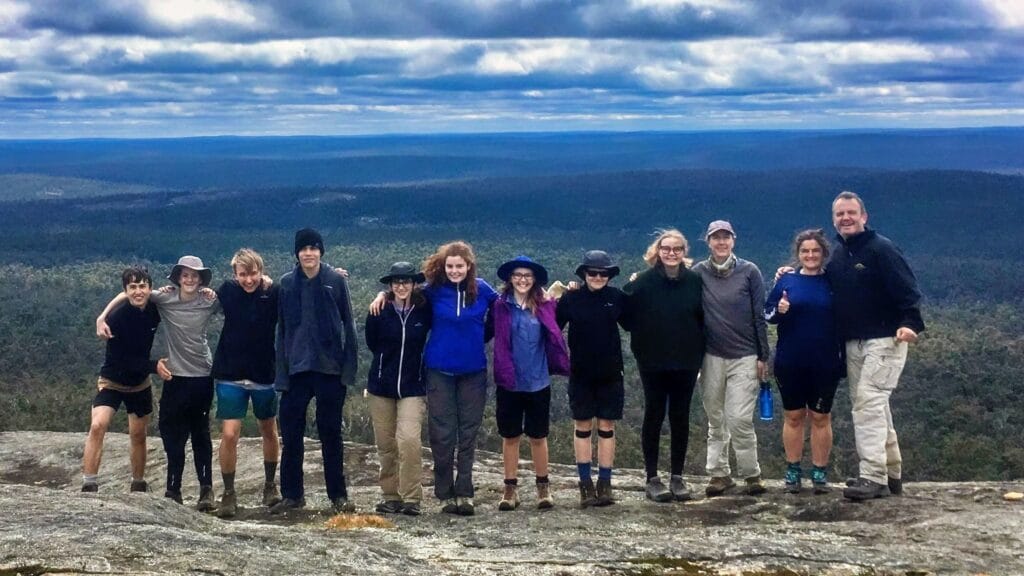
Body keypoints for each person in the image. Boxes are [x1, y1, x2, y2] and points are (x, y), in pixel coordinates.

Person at [97, 255, 221, 510]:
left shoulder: (209, 301)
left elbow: (237, 301)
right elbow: (131, 293)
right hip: (174, 375)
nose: (189, 279)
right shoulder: (165, 298)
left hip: (201, 375)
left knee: (200, 433)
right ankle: (173, 489)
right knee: (171, 433)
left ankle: (206, 490)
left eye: (194, 276)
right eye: (185, 275)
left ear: (200, 280)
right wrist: (103, 316)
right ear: (177, 278)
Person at [830, 191, 924, 501]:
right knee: (875, 405)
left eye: (851, 212)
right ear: (835, 219)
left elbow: (908, 288)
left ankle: (872, 476)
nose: (846, 218)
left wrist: (910, 322)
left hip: (885, 340)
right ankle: (892, 473)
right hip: (853, 343)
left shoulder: (881, 249)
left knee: (867, 404)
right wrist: (789, 275)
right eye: (840, 214)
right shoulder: (839, 255)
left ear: (864, 216)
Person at [271, 228, 358, 514]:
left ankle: (338, 495)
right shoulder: (286, 284)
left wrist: (348, 370)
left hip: (330, 369)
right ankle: (292, 494)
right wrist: (281, 375)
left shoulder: (335, 280)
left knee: (330, 432)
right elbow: (282, 331)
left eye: (313, 248)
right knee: (291, 433)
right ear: (296, 253)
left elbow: (350, 326)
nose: (308, 253)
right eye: (303, 248)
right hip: (297, 369)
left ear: (321, 251)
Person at [622, 229, 706, 503]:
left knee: (680, 417)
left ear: (684, 252)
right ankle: (652, 478)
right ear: (657, 251)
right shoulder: (643, 282)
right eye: (666, 248)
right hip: (652, 362)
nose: (671, 253)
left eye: (677, 249)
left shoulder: (695, 282)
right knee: (654, 416)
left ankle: (678, 477)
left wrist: (699, 357)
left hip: (686, 361)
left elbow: (703, 320)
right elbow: (624, 315)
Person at [419, 241, 497, 516]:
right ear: (444, 266)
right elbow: (403, 294)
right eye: (450, 266)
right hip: (439, 370)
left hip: (473, 371)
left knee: (468, 433)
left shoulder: (483, 290)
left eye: (459, 266)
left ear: (469, 267)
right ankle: (444, 493)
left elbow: (507, 309)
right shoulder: (433, 291)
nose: (454, 271)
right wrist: (382, 295)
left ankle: (465, 492)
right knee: (441, 434)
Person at [693, 220, 770, 497]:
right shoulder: (698, 272)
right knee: (715, 418)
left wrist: (764, 355)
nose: (721, 242)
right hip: (711, 356)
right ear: (709, 242)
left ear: (733, 240)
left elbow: (759, 315)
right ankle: (719, 474)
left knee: (738, 418)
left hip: (745, 356)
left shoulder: (750, 272)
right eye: (716, 238)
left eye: (726, 237)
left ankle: (752, 473)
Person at [764, 229, 844, 494]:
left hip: (825, 361)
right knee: (794, 415)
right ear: (798, 255)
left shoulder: (834, 280)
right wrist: (780, 310)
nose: (810, 255)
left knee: (821, 416)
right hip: (791, 360)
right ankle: (793, 469)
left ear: (823, 254)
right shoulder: (787, 280)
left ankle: (819, 471)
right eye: (805, 251)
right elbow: (768, 313)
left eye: (815, 251)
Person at [492, 256, 570, 511]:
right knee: (510, 435)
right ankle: (509, 488)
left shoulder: (546, 305)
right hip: (509, 381)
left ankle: (543, 487)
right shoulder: (500, 306)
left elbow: (563, 321)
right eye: (518, 275)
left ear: (534, 280)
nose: (522, 280)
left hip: (538, 381)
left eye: (527, 276)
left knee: (538, 436)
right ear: (510, 279)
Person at [210, 248, 282, 517]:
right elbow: (199, 304)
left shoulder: (272, 293)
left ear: (261, 272)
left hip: (264, 374)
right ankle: (228, 492)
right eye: (243, 274)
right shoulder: (227, 291)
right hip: (231, 373)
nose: (248, 280)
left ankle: (270, 486)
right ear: (234, 274)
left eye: (253, 273)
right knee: (229, 434)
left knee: (269, 430)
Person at [555, 250, 628, 507]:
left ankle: (605, 483)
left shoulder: (617, 298)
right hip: (581, 373)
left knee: (607, 426)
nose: (597, 277)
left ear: (609, 276)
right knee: (583, 426)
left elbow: (636, 322)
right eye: (592, 273)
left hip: (611, 372)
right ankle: (585, 483)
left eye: (603, 273)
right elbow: (552, 326)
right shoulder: (572, 299)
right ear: (584, 274)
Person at [82, 266, 163, 494]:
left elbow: (173, 297)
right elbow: (125, 359)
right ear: (126, 290)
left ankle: (138, 483)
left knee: (138, 434)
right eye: (132, 287)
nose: (138, 292)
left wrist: (101, 313)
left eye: (142, 286)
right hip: (113, 380)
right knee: (98, 425)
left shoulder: (154, 308)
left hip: (139, 383)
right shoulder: (117, 318)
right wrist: (155, 366)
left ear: (150, 288)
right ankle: (89, 483)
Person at [364, 262, 432, 517]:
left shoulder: (424, 310)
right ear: (390, 286)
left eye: (406, 281)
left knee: (409, 441)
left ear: (414, 284)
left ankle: (412, 497)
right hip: (381, 386)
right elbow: (372, 344)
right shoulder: (379, 310)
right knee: (385, 444)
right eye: (396, 282)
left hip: (413, 385)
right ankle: (391, 496)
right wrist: (380, 296)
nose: (401, 286)